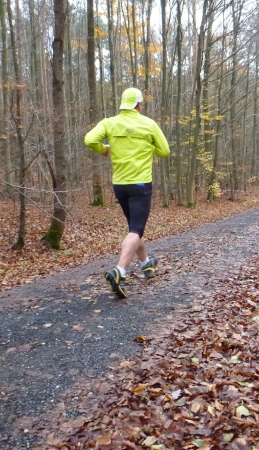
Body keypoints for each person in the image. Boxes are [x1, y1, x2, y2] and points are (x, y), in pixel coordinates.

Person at [84, 87, 170, 299]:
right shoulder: (149, 124)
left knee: (135, 229)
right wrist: (148, 147)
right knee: (136, 230)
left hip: (120, 185)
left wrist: (104, 149)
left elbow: (90, 140)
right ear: (139, 105)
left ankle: (146, 264)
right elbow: (165, 151)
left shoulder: (110, 123)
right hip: (140, 185)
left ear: (123, 104)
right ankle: (119, 271)